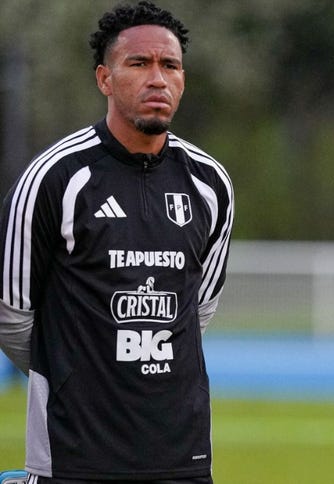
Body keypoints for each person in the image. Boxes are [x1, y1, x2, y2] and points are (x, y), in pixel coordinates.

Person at [0, 1, 233, 482]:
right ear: (105, 78)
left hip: (182, 454)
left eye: (170, 65)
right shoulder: (54, 178)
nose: (157, 79)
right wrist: (71, 375)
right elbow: (11, 313)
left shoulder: (211, 183)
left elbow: (198, 308)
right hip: (76, 455)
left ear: (183, 78)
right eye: (139, 63)